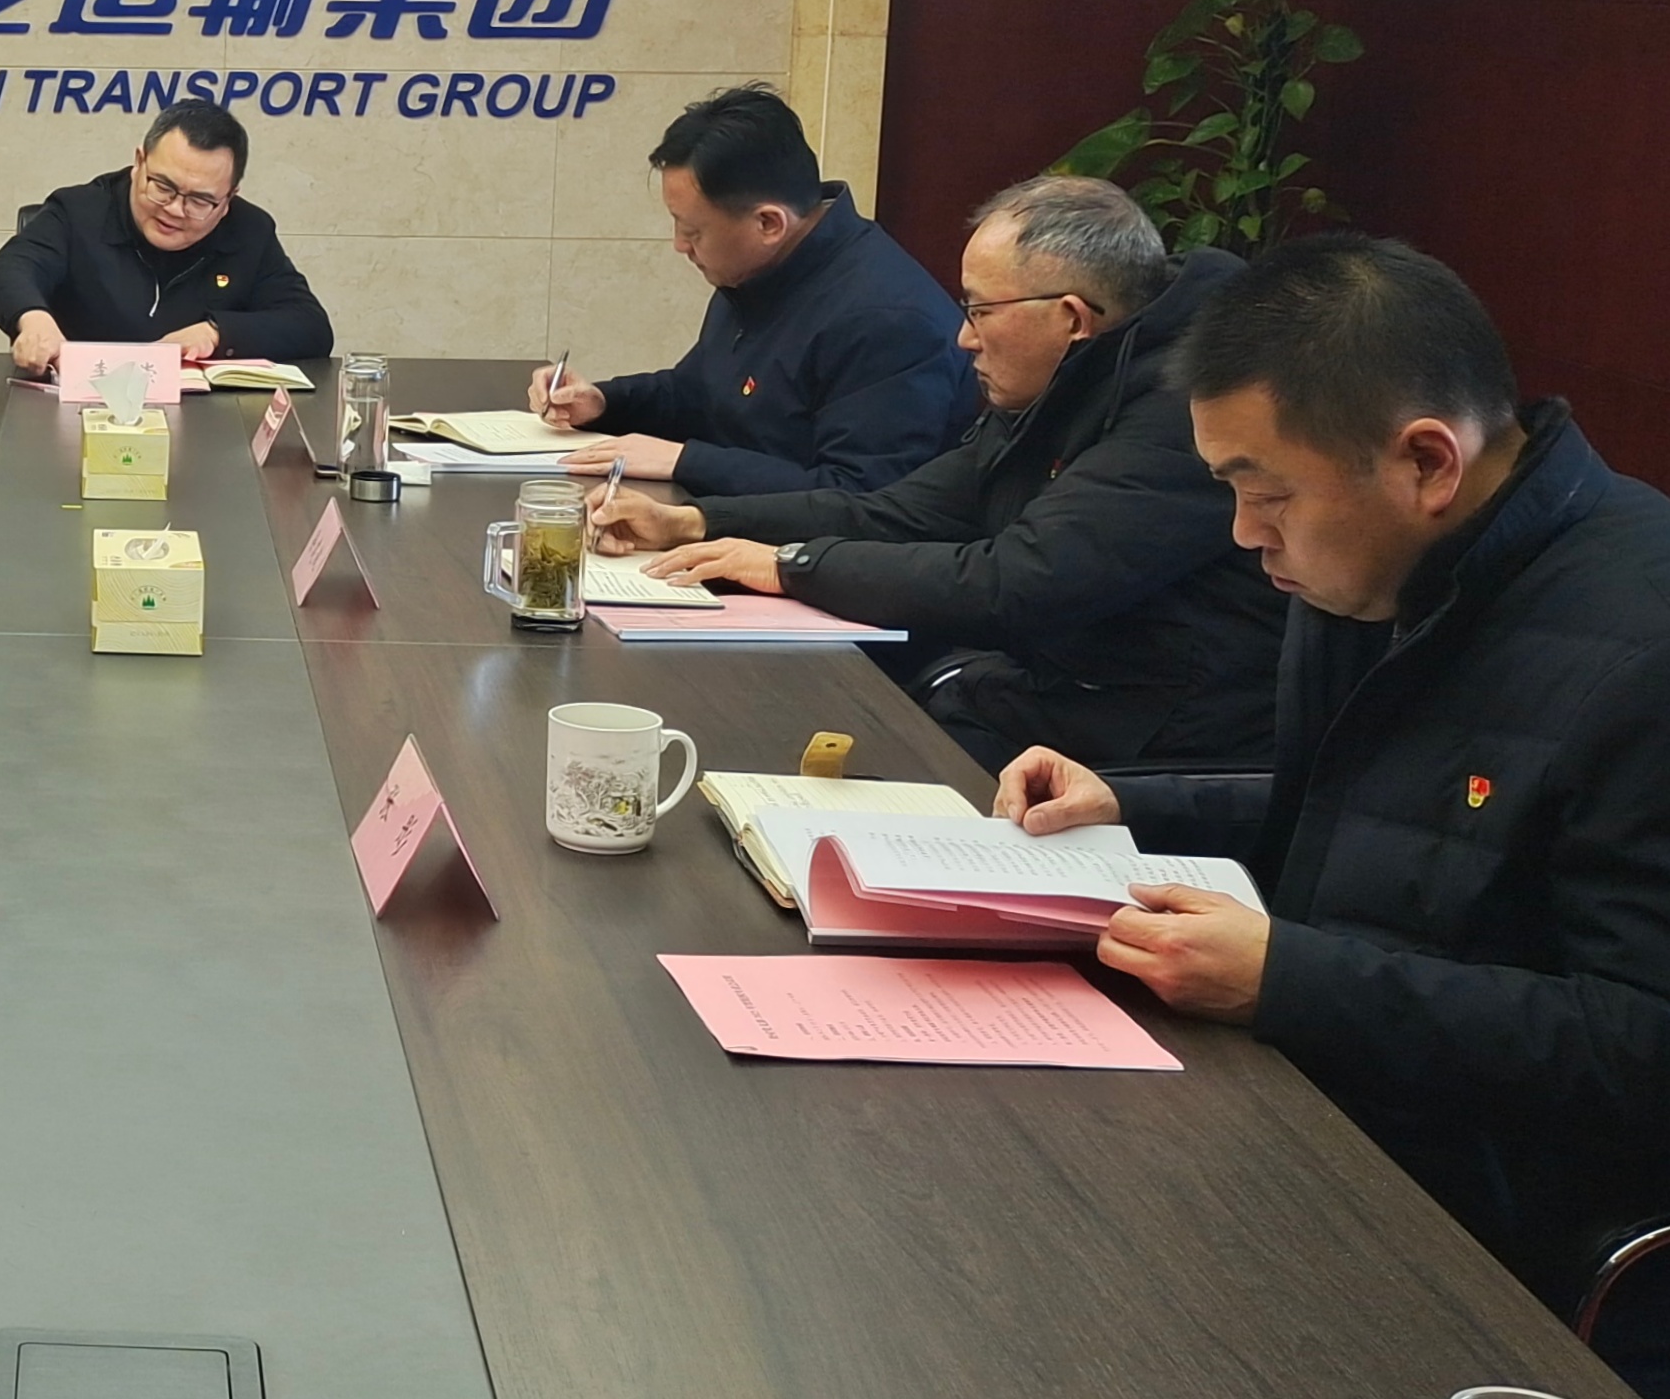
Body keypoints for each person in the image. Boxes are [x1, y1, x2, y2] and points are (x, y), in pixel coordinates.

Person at [994, 235, 1670, 1391]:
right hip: (1315, 1105)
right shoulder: (1382, 568)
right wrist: (1136, 804)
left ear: (1426, 462)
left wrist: (1287, 978)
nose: (1243, 535)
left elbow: (1639, 1045)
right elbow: (1385, 818)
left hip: (1473, 1230)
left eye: (1267, 494)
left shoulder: (1640, 652)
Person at [594, 176, 1283, 770]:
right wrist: (697, 521)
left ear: (1071, 318)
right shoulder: (1067, 376)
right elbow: (900, 511)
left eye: (980, 311)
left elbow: (1017, 581)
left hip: (1152, 743)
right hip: (1051, 695)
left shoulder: (1184, 408)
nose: (964, 338)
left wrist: (790, 566)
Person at [530, 84, 974, 493]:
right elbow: (697, 393)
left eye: (693, 231)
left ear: (768, 223)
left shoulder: (887, 320)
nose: (679, 245)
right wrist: (602, 403)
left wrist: (686, 461)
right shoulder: (761, 270)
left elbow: (858, 495)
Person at [0, 99, 332, 374]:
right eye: (162, 186)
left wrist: (214, 333)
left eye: (200, 200)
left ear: (228, 199)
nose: (175, 209)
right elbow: (7, 270)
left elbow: (310, 325)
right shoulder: (79, 210)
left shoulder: (249, 231)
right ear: (139, 162)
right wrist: (34, 320)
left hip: (205, 423)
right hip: (75, 410)